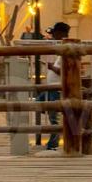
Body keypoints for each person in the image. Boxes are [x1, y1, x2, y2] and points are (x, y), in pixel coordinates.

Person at [38, 22, 72, 151]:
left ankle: (53, 144)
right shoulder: (62, 49)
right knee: (40, 103)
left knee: (54, 119)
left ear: (60, 34)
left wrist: (51, 67)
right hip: (52, 87)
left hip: (56, 88)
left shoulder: (66, 50)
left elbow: (63, 70)